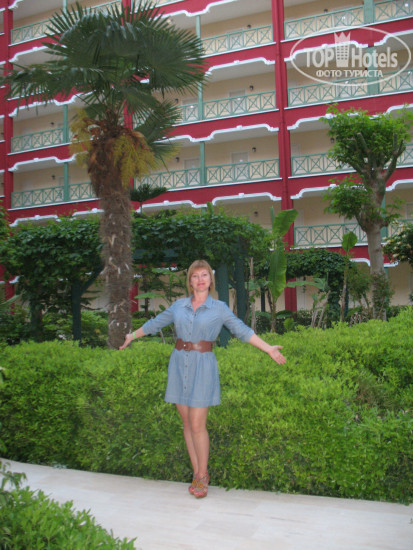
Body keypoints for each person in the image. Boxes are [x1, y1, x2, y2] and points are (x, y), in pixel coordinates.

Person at [119, 259, 286, 499]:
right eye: (195, 276)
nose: (200, 280)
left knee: (197, 424)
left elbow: (241, 330)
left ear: (210, 280)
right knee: (187, 424)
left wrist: (268, 348)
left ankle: (203, 474)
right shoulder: (179, 306)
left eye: (204, 275)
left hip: (203, 366)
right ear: (190, 281)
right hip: (178, 364)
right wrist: (132, 335)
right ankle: (196, 472)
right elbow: (156, 323)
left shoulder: (219, 308)